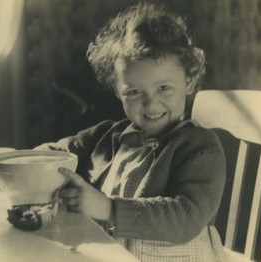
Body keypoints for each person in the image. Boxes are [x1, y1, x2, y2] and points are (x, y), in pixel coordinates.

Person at [36, 2, 227, 261]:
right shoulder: (107, 137)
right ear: (117, 91)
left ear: (189, 81)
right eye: (134, 92)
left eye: (164, 88)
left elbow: (185, 218)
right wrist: (33, 160)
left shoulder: (200, 147)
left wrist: (108, 208)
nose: (151, 103)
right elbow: (56, 152)